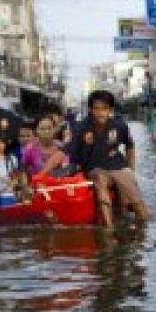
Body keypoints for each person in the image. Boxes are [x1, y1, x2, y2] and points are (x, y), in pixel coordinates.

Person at [43, 90, 148, 227]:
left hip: (118, 166)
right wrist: (42, 173)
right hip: (95, 168)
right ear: (91, 110)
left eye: (104, 108)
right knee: (100, 179)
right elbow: (63, 151)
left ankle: (143, 230)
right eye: (96, 108)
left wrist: (131, 168)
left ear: (110, 110)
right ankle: (108, 229)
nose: (100, 112)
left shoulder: (119, 125)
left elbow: (130, 145)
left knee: (138, 204)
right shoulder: (82, 127)